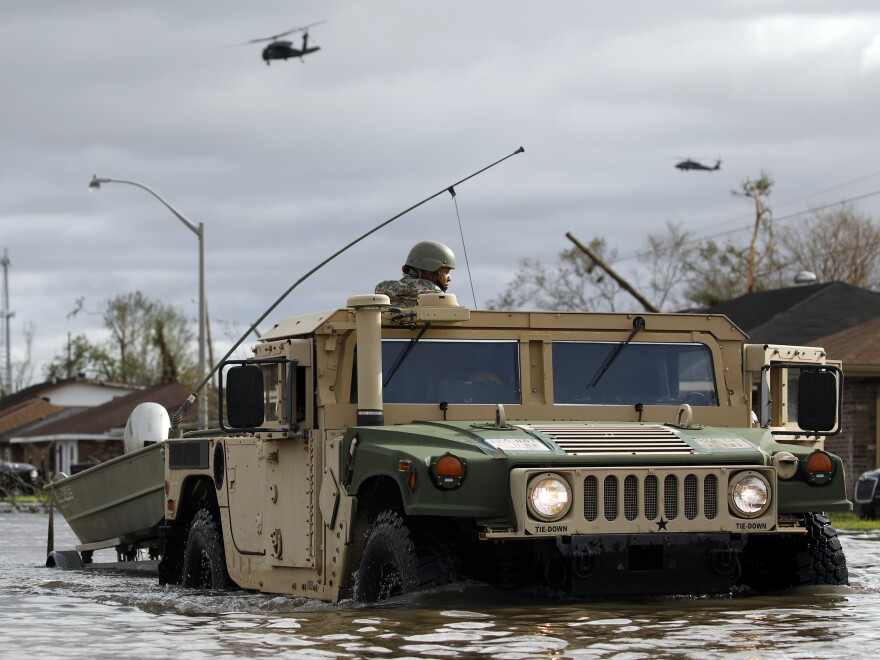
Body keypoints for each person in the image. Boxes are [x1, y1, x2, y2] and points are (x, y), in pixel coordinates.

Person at [375, 240, 456, 307]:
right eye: (446, 272)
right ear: (430, 269)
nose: (449, 278)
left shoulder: (382, 296)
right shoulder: (440, 300)